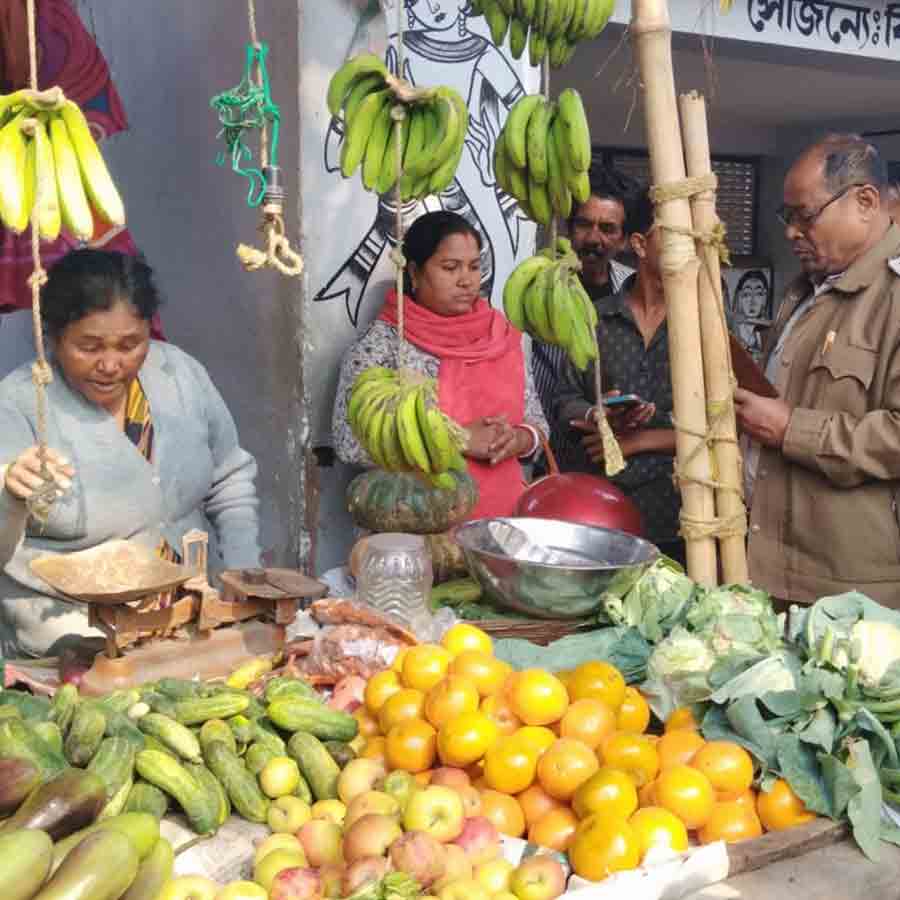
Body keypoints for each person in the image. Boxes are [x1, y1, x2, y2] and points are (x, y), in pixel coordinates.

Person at [0, 250, 261, 657]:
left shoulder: (179, 374)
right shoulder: (18, 405)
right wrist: (11, 497)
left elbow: (230, 478)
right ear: (51, 338)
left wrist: (244, 573)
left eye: (130, 344)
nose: (110, 364)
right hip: (71, 636)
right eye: (88, 347)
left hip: (194, 619)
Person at [735, 134, 900, 605]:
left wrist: (792, 429)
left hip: (850, 593)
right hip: (769, 566)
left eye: (804, 215)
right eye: (786, 217)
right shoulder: (806, 290)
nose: (791, 232)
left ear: (865, 202)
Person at [332, 210, 548, 519]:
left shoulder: (500, 335)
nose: (466, 280)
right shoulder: (382, 346)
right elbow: (348, 442)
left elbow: (538, 423)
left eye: (474, 267)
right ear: (416, 273)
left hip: (502, 527)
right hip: (415, 527)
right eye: (450, 267)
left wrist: (519, 439)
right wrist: (456, 439)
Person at [554, 186, 685, 566]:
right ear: (641, 245)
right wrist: (599, 416)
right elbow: (565, 398)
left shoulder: (704, 326)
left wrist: (639, 440)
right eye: (676, 238)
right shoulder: (594, 318)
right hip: (597, 513)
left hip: (680, 517)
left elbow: (726, 424)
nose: (689, 248)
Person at [532, 166, 637, 472]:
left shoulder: (633, 291)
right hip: (545, 454)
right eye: (583, 225)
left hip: (617, 457)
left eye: (607, 228)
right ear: (568, 227)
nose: (593, 238)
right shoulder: (534, 286)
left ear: (625, 240)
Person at [732, 269, 771, 360]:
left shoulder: (767, 332)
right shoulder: (733, 329)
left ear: (764, 298)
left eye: (758, 294)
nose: (753, 301)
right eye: (747, 294)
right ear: (739, 297)